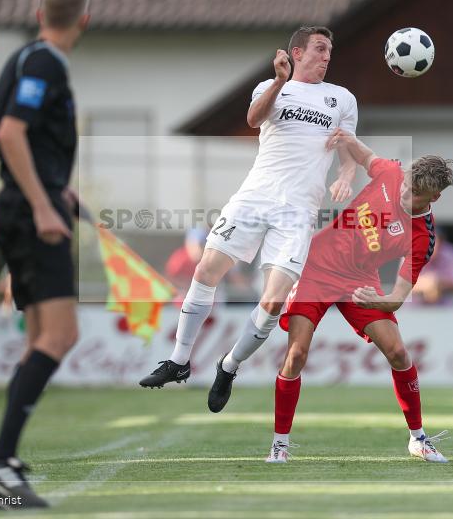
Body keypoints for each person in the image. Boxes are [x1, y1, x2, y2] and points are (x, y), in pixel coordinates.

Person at [140, 26, 358, 414]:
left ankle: (229, 365)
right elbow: (254, 119)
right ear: (297, 52)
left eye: (330, 50)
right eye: (320, 49)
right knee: (206, 269)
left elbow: (347, 145)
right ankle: (178, 361)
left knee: (273, 302)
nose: (327, 56)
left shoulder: (341, 98)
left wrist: (345, 174)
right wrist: (279, 80)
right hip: (255, 196)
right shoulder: (271, 86)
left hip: (298, 211)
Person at [0, 0, 91, 509]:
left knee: (41, 336)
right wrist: (44, 201)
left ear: (40, 12)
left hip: (21, 206)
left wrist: (52, 187)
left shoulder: (20, 59)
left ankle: (3, 459)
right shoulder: (46, 62)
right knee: (60, 336)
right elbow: (7, 133)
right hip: (28, 214)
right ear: (84, 20)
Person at [267, 129, 453, 464]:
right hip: (317, 268)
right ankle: (280, 444)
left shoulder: (421, 238)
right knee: (296, 354)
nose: (404, 195)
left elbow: (398, 296)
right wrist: (344, 137)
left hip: (359, 283)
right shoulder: (392, 172)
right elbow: (362, 152)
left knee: (398, 352)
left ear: (434, 198)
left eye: (414, 194)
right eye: (407, 186)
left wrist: (375, 301)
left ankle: (418, 439)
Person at [411, 229, 453, 306]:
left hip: (446, 309)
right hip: (415, 310)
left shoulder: (451, 252)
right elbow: (402, 285)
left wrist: (438, 283)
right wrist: (424, 284)